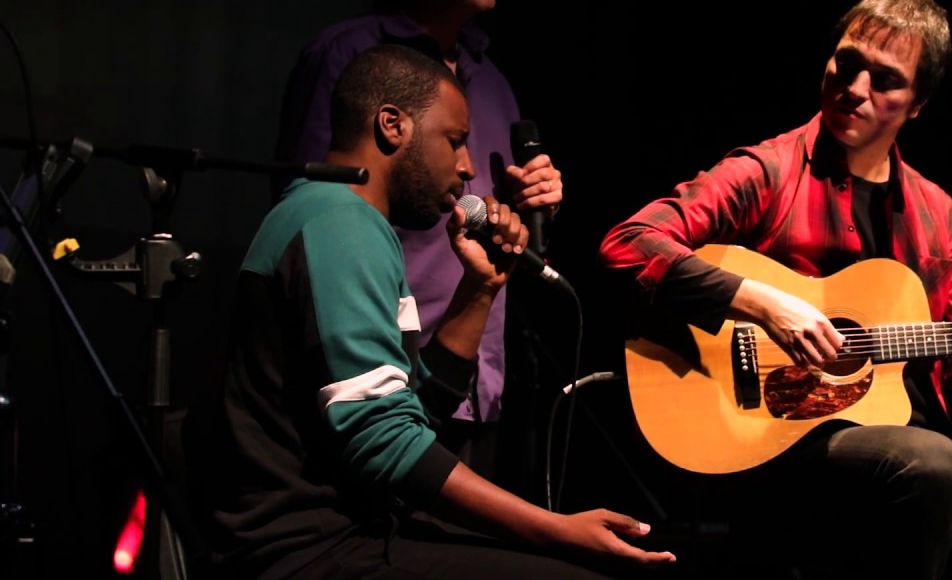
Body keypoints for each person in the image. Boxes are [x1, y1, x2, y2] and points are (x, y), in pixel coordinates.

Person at [596, 0, 952, 579]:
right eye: (847, 63)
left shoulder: (940, 217)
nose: (856, 88)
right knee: (932, 463)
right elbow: (626, 244)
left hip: (917, 456)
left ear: (918, 105)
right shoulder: (767, 172)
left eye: (885, 80)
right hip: (781, 442)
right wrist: (760, 304)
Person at [187, 44, 674, 579]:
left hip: (354, 529)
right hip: (306, 549)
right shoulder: (337, 222)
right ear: (392, 125)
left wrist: (480, 290)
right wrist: (556, 528)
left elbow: (418, 412)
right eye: (455, 140)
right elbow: (381, 438)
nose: (468, 168)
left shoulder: (343, 217)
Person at [272, 0, 557, 486]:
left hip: (475, 378)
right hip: (383, 380)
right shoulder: (353, 60)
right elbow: (313, 213)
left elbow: (485, 215)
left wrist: (530, 201)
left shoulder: (494, 80)